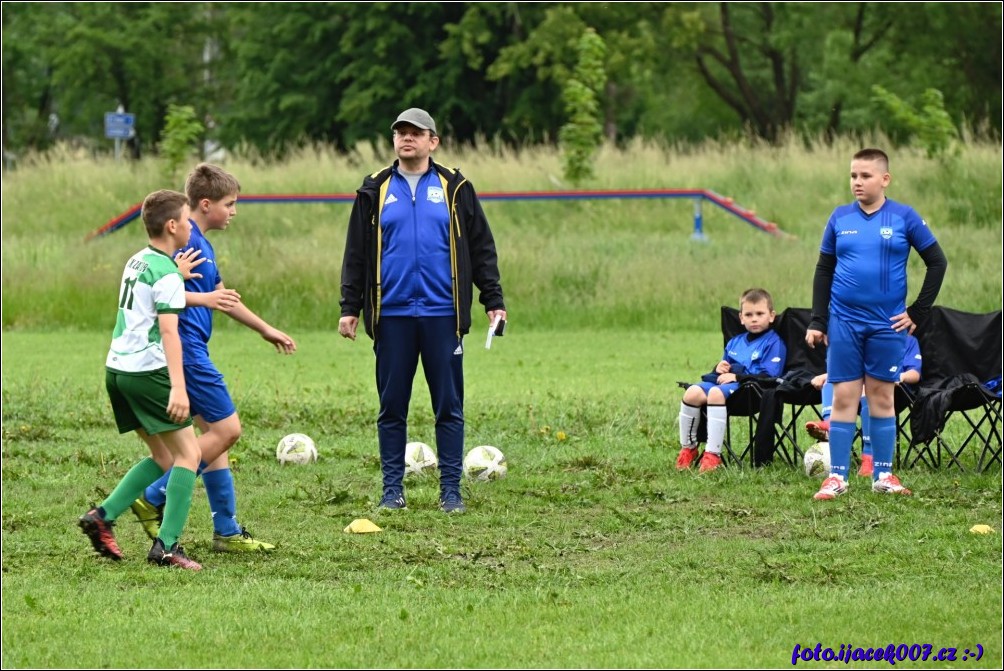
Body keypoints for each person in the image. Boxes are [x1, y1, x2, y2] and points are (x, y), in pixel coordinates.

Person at [338, 107, 507, 513]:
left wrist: (493, 300)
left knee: (448, 406)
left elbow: (481, 247)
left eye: (416, 133)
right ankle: (392, 491)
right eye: (400, 132)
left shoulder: (456, 188)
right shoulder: (374, 189)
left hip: (443, 314)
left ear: (433, 141)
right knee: (391, 406)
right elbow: (356, 254)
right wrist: (350, 306)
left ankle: (451, 491)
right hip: (392, 314)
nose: (406, 139)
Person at [129, 163, 296, 550]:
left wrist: (264, 328)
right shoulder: (191, 243)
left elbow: (220, 295)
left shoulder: (201, 243)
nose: (235, 211)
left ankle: (227, 531)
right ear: (205, 204)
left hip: (192, 349)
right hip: (186, 352)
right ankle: (153, 497)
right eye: (230, 203)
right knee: (227, 431)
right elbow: (166, 292)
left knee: (214, 438)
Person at [806, 148, 947, 500]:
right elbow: (824, 270)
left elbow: (937, 262)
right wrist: (818, 319)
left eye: (865, 176)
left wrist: (918, 311)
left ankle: (883, 474)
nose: (857, 182)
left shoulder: (904, 217)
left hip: (886, 326)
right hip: (844, 323)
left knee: (883, 397)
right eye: (853, 175)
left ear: (885, 179)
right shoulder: (839, 218)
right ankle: (836, 477)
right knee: (844, 397)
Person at [78, 189, 202, 570]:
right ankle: (167, 547)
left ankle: (103, 515)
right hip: (146, 373)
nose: (190, 225)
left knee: (163, 456)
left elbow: (153, 294)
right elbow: (169, 333)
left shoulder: (138, 261)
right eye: (186, 219)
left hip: (116, 371)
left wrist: (177, 276)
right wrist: (178, 387)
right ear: (172, 226)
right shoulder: (166, 275)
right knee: (189, 454)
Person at [676, 288, 787, 473]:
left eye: (760, 314)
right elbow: (725, 367)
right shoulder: (735, 342)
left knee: (715, 393)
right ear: (741, 318)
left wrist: (737, 376)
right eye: (749, 314)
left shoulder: (774, 343)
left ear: (771, 316)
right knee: (692, 393)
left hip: (751, 392)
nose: (754, 319)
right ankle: (689, 448)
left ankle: (712, 455)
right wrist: (718, 368)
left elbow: (771, 376)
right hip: (726, 385)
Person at [805, 334, 921, 476]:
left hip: (896, 392)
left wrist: (901, 376)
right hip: (861, 388)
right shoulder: (867, 338)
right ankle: (830, 423)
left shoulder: (908, 341)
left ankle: (869, 459)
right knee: (833, 378)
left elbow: (915, 373)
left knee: (869, 384)